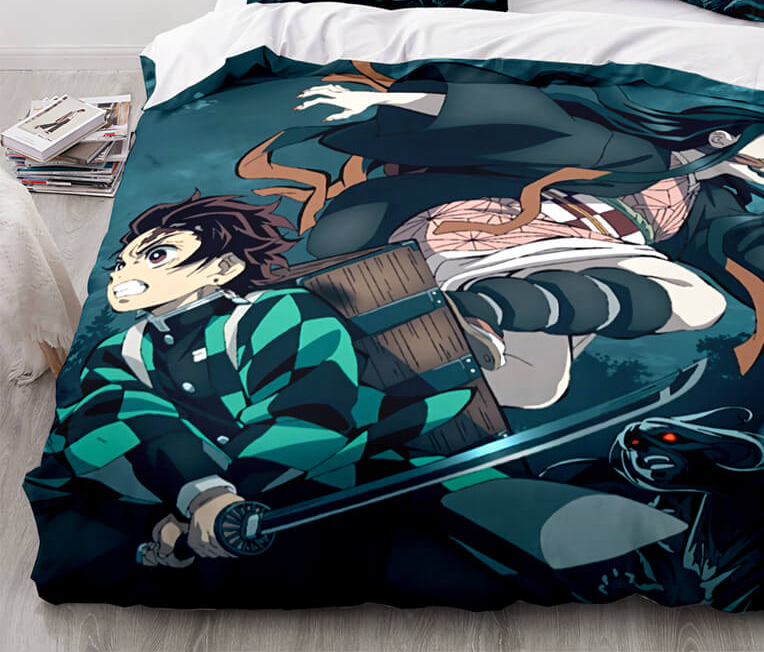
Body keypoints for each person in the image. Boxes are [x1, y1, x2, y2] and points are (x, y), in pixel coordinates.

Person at [238, 63, 764, 408]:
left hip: (564, 268)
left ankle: (407, 350)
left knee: (531, 387)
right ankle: (472, 311)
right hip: (497, 233)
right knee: (695, 299)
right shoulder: (630, 148)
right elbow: (520, 119)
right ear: (726, 133)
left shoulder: (704, 205)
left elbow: (753, 244)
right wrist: (387, 102)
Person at [24, 192, 470, 568]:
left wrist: (205, 499)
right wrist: (197, 495)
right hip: (203, 501)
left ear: (223, 268)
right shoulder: (118, 352)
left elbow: (309, 418)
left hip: (354, 462)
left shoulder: (278, 313)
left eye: (158, 255)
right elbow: (118, 426)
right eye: (121, 263)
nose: (124, 274)